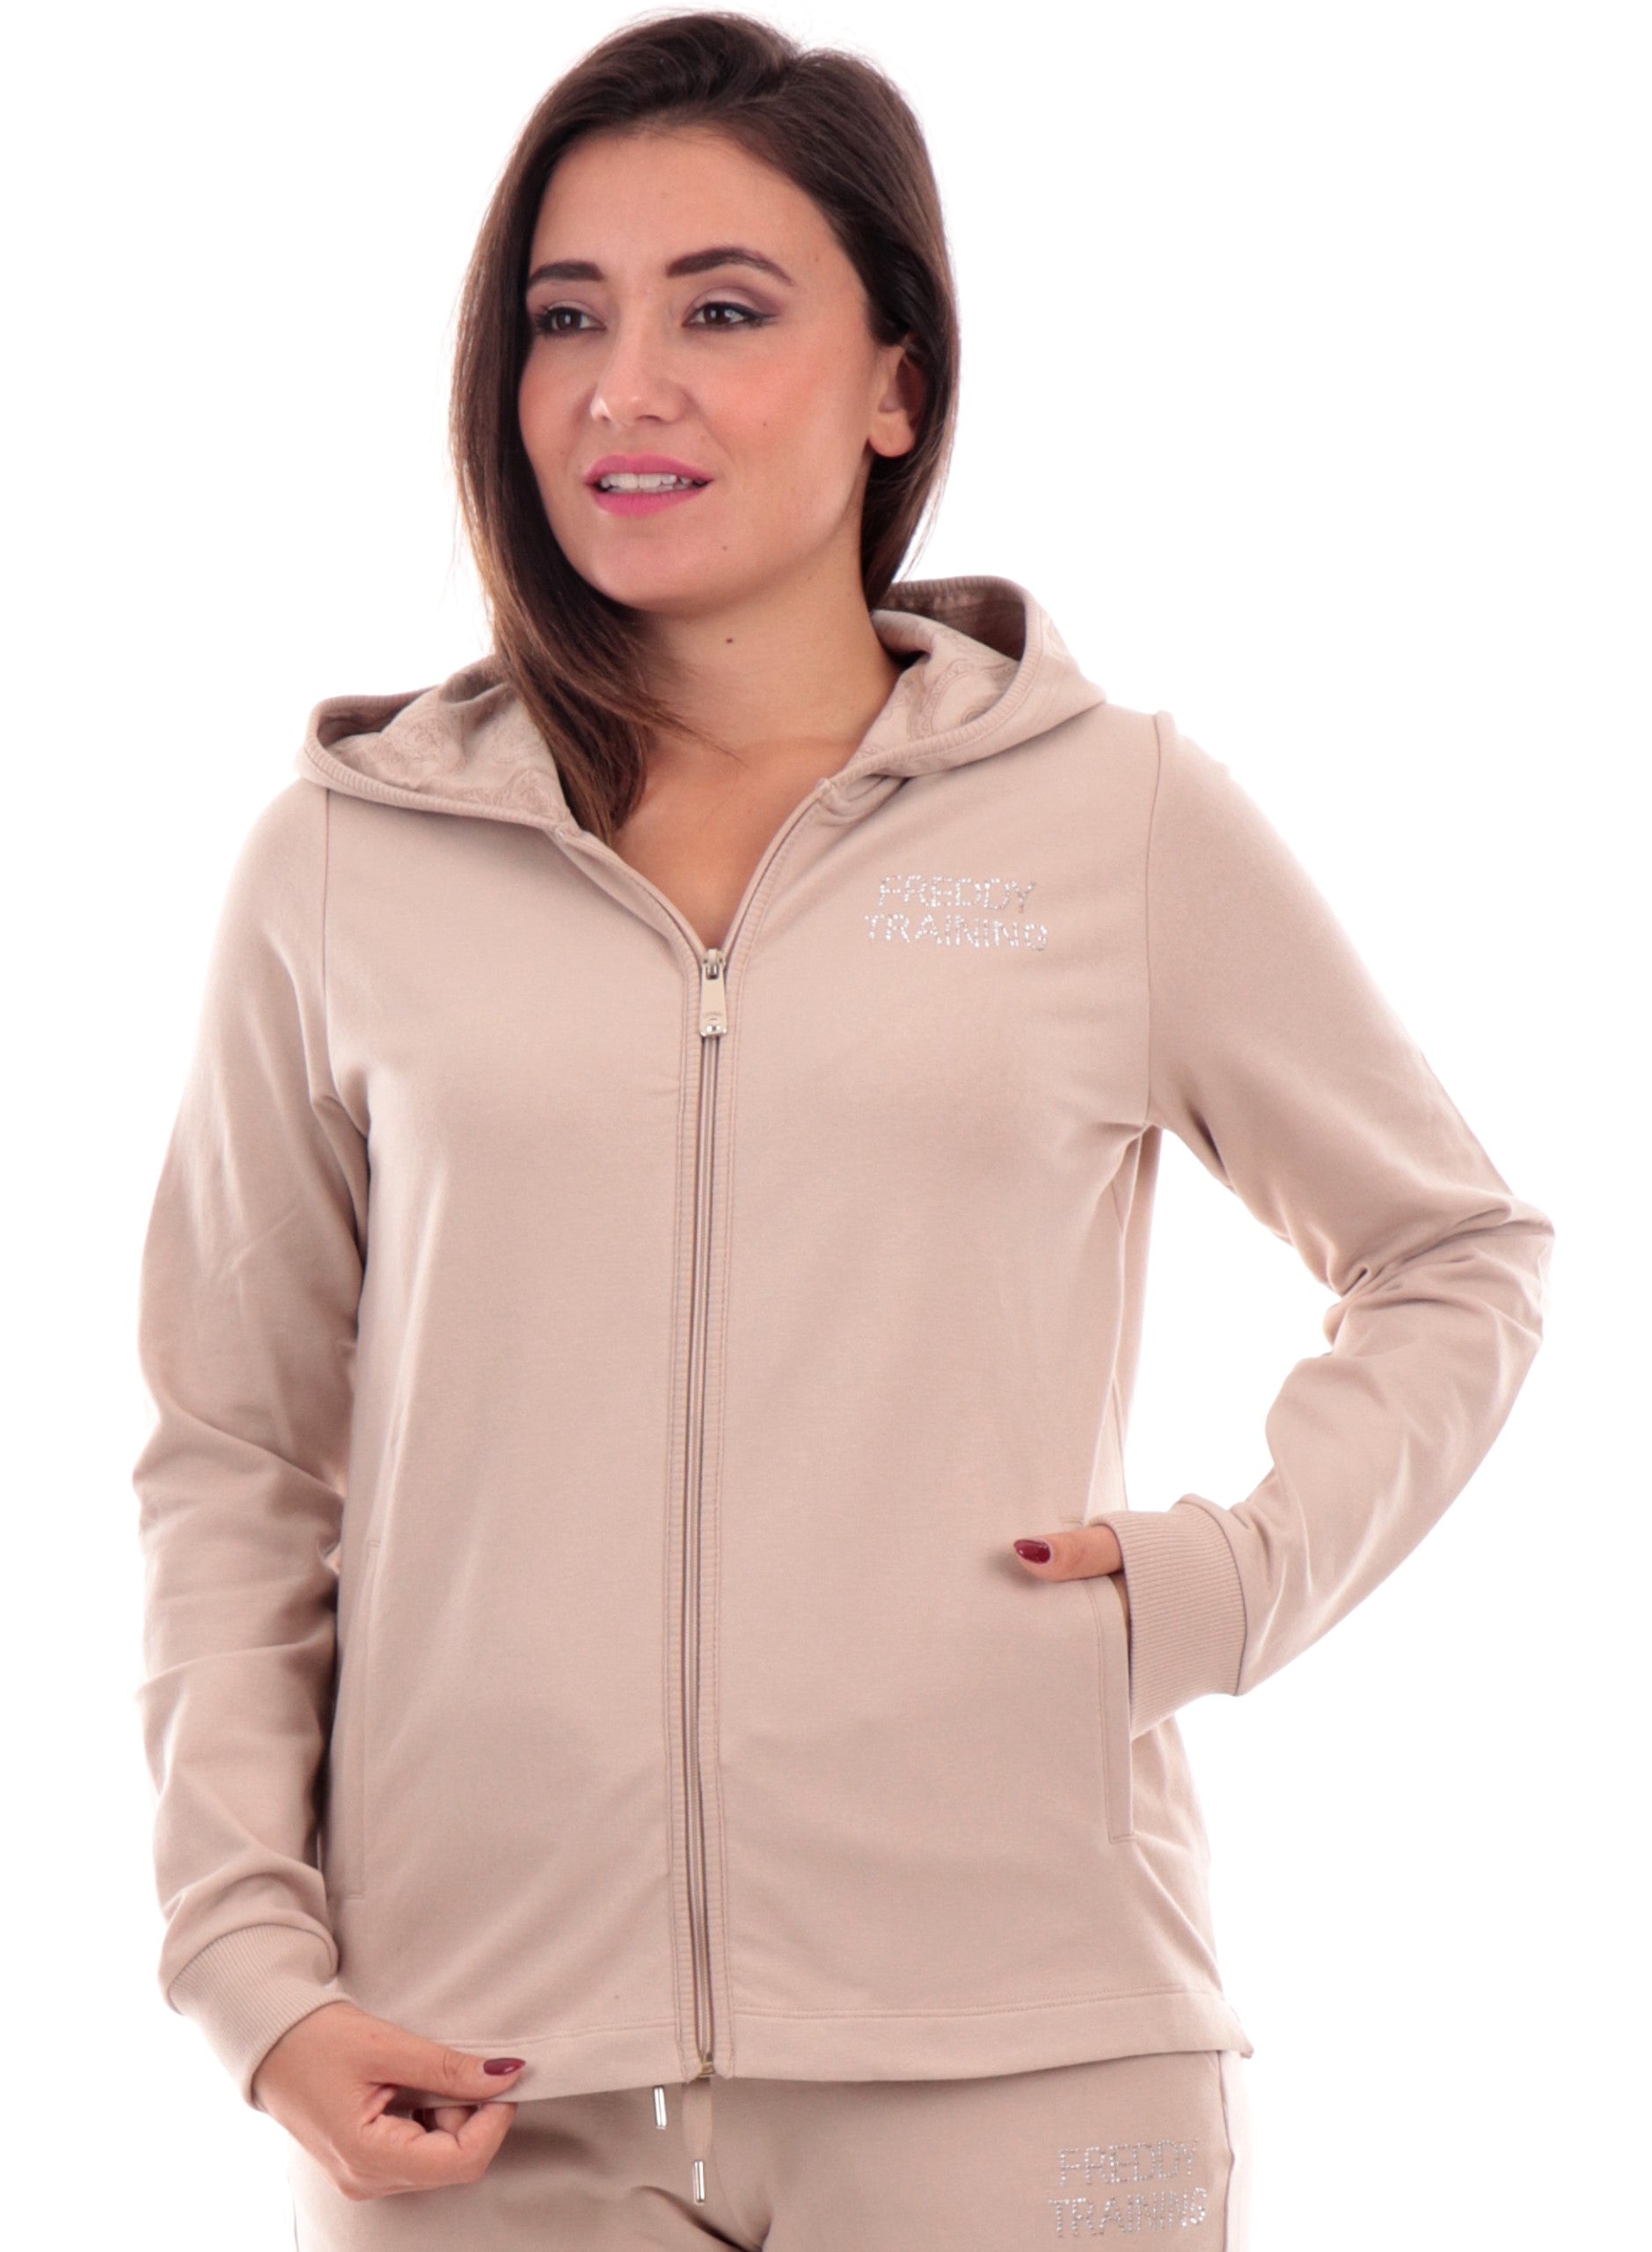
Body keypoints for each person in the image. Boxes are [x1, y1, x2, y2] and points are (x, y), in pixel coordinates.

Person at [129, 11, 1554, 2248]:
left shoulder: (1111, 818)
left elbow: (1455, 1251)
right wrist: (249, 1968)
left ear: (898, 381)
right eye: (565, 319)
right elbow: (235, 1448)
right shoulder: (344, 860)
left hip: (1029, 2060)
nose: (626, 386)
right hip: (477, 2078)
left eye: (723, 310)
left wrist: (1220, 1582)